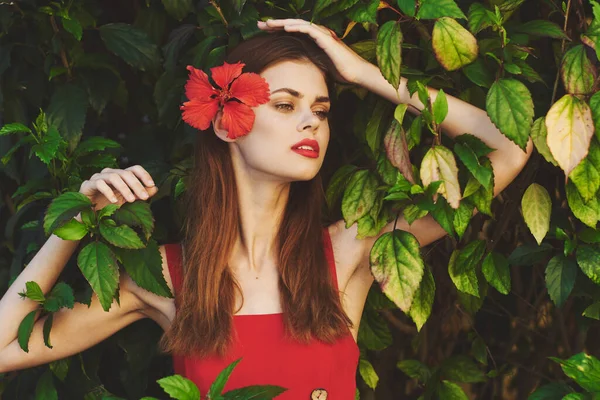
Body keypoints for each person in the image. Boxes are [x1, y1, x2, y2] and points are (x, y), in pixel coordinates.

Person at [0, 18, 533, 398]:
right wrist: (73, 222)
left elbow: (508, 148)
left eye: (321, 110)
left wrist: (369, 76)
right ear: (223, 119)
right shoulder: (164, 276)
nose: (312, 124)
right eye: (286, 105)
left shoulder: (349, 251)